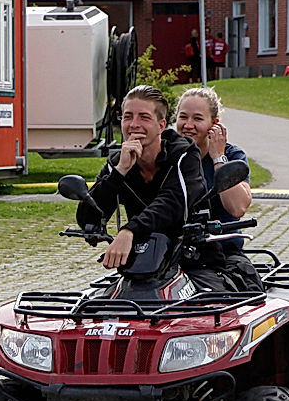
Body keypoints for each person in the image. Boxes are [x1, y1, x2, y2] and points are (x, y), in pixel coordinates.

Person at [76, 85, 206, 275]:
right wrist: (120, 172)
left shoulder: (184, 156)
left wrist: (130, 231)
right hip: (142, 262)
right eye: (128, 117)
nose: (134, 124)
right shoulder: (117, 162)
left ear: (161, 125)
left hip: (193, 261)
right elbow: (89, 217)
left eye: (144, 118)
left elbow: (172, 203)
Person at [173, 86, 263, 292]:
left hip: (222, 256)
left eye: (197, 119)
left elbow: (237, 208)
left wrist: (218, 158)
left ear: (214, 124)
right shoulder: (169, 155)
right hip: (171, 254)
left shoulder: (232, 155)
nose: (188, 125)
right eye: (183, 117)